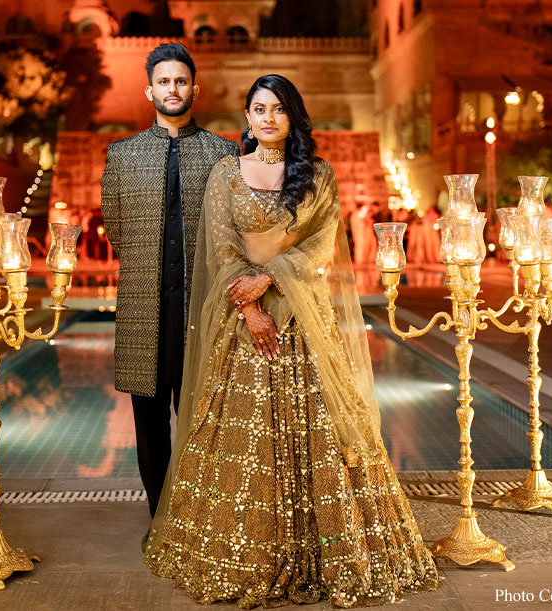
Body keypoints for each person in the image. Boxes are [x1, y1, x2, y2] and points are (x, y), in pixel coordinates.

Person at [144, 74, 439, 608]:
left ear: (292, 116)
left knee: (326, 426)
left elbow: (325, 243)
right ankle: (242, 547)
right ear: (248, 116)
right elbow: (219, 248)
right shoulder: (225, 174)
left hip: (304, 314)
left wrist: (271, 276)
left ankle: (325, 542)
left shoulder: (318, 175)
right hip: (241, 316)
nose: (268, 118)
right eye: (259, 109)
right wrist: (251, 303)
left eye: (278, 109)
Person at [100, 43, 240, 525]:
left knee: (206, 420)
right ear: (149, 91)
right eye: (164, 81)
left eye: (181, 81)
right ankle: (160, 518)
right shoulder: (122, 156)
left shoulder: (225, 154)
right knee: (151, 426)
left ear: (193, 89)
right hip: (144, 311)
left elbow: (234, 231)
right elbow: (117, 230)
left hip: (203, 312)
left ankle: (202, 521)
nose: (173, 88)